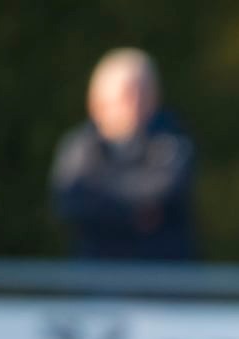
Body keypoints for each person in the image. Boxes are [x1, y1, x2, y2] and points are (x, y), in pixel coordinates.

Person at [50, 49, 196, 262]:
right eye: (127, 94)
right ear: (98, 101)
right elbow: (71, 201)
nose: (136, 102)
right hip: (96, 272)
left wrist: (102, 195)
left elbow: (165, 190)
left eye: (144, 92)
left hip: (162, 272)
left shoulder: (173, 138)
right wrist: (139, 212)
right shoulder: (79, 145)